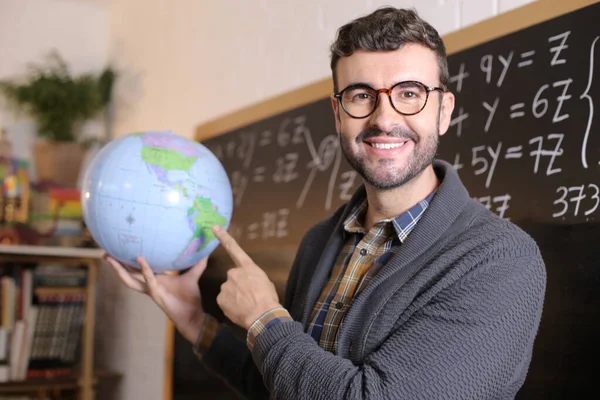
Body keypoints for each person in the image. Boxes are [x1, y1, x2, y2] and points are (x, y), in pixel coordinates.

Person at [106, 6, 546, 400]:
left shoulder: (500, 260)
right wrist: (189, 316)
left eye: (409, 93)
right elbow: (278, 384)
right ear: (338, 114)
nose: (384, 118)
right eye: (360, 95)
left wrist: (264, 318)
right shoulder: (321, 241)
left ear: (444, 111)